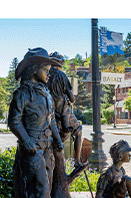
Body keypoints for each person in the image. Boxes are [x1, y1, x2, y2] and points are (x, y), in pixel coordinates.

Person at [8, 47, 63, 198]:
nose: (48, 73)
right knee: (40, 190)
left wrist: (57, 139)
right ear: (34, 69)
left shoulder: (46, 94)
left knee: (48, 187)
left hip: (47, 147)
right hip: (32, 149)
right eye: (46, 69)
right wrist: (26, 141)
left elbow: (51, 119)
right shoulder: (22, 93)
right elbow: (14, 121)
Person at [47, 52, 83, 198]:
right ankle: (77, 160)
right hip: (62, 110)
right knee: (79, 130)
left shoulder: (45, 74)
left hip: (48, 111)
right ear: (60, 63)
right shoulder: (61, 75)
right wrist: (72, 97)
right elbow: (72, 98)